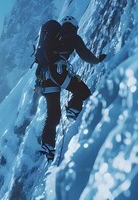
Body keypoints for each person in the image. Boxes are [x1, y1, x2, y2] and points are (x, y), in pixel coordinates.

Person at [35, 16, 106, 160]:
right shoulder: (71, 36)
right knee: (83, 91)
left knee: (53, 114)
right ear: (74, 27)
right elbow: (84, 54)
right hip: (58, 72)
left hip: (45, 78)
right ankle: (73, 108)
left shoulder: (53, 39)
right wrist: (97, 60)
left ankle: (48, 145)